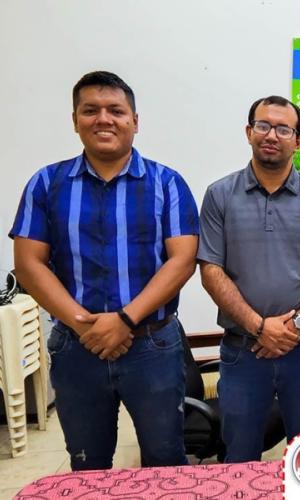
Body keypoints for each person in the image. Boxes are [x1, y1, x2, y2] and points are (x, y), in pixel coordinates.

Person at [9, 71, 199, 470]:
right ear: (75, 120)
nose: (103, 119)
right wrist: (85, 326)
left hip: (152, 346)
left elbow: (182, 260)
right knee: (87, 465)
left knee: (166, 460)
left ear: (135, 121)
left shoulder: (167, 183)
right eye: (90, 110)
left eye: (116, 110)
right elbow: (28, 264)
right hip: (77, 346)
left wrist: (125, 320)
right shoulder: (46, 184)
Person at [198, 95, 300, 462]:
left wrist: (295, 325)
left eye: (283, 129)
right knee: (239, 457)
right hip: (243, 351)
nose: (271, 135)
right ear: (248, 132)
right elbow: (211, 270)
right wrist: (259, 327)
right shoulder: (220, 195)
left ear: (298, 141)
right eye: (263, 125)